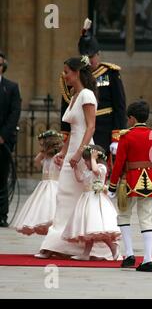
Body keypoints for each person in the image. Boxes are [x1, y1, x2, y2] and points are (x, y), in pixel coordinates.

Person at [36, 56, 114, 259]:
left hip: (84, 151)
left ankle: (86, 247)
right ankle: (59, 244)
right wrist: (63, 153)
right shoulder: (74, 96)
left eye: (67, 72)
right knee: (64, 197)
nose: (65, 76)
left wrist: (79, 153)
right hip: (72, 150)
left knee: (81, 199)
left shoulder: (87, 95)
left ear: (77, 72)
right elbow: (72, 130)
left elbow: (90, 126)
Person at [108, 100, 152, 271]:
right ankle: (147, 259)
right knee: (146, 218)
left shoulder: (126, 136)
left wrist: (112, 185)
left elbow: (119, 163)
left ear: (132, 118)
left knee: (124, 216)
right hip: (149, 181)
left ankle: (130, 254)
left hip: (129, 181)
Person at [60, 19, 127, 160]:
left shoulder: (110, 73)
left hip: (105, 128)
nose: (90, 61)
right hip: (80, 130)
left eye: (92, 56)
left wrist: (116, 135)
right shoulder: (73, 76)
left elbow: (119, 106)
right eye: (86, 58)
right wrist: (65, 134)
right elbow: (67, 106)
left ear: (98, 54)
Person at [62, 145, 121, 261]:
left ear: (95, 158)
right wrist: (75, 168)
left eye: (87, 160)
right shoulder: (87, 170)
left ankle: (113, 247)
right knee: (88, 229)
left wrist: (93, 159)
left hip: (96, 200)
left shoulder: (101, 167)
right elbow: (80, 179)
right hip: (86, 200)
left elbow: (96, 171)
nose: (86, 163)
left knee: (98, 229)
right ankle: (86, 253)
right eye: (86, 161)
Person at [11, 130, 63, 235]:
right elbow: (36, 161)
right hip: (44, 184)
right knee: (42, 205)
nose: (40, 146)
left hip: (54, 185)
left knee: (51, 205)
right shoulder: (45, 157)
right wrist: (43, 152)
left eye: (42, 144)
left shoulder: (58, 157)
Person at [0, 50, 22, 227]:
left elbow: (14, 113)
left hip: (3, 142)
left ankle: (1, 215)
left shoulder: (11, 87)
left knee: (2, 178)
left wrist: (2, 136)